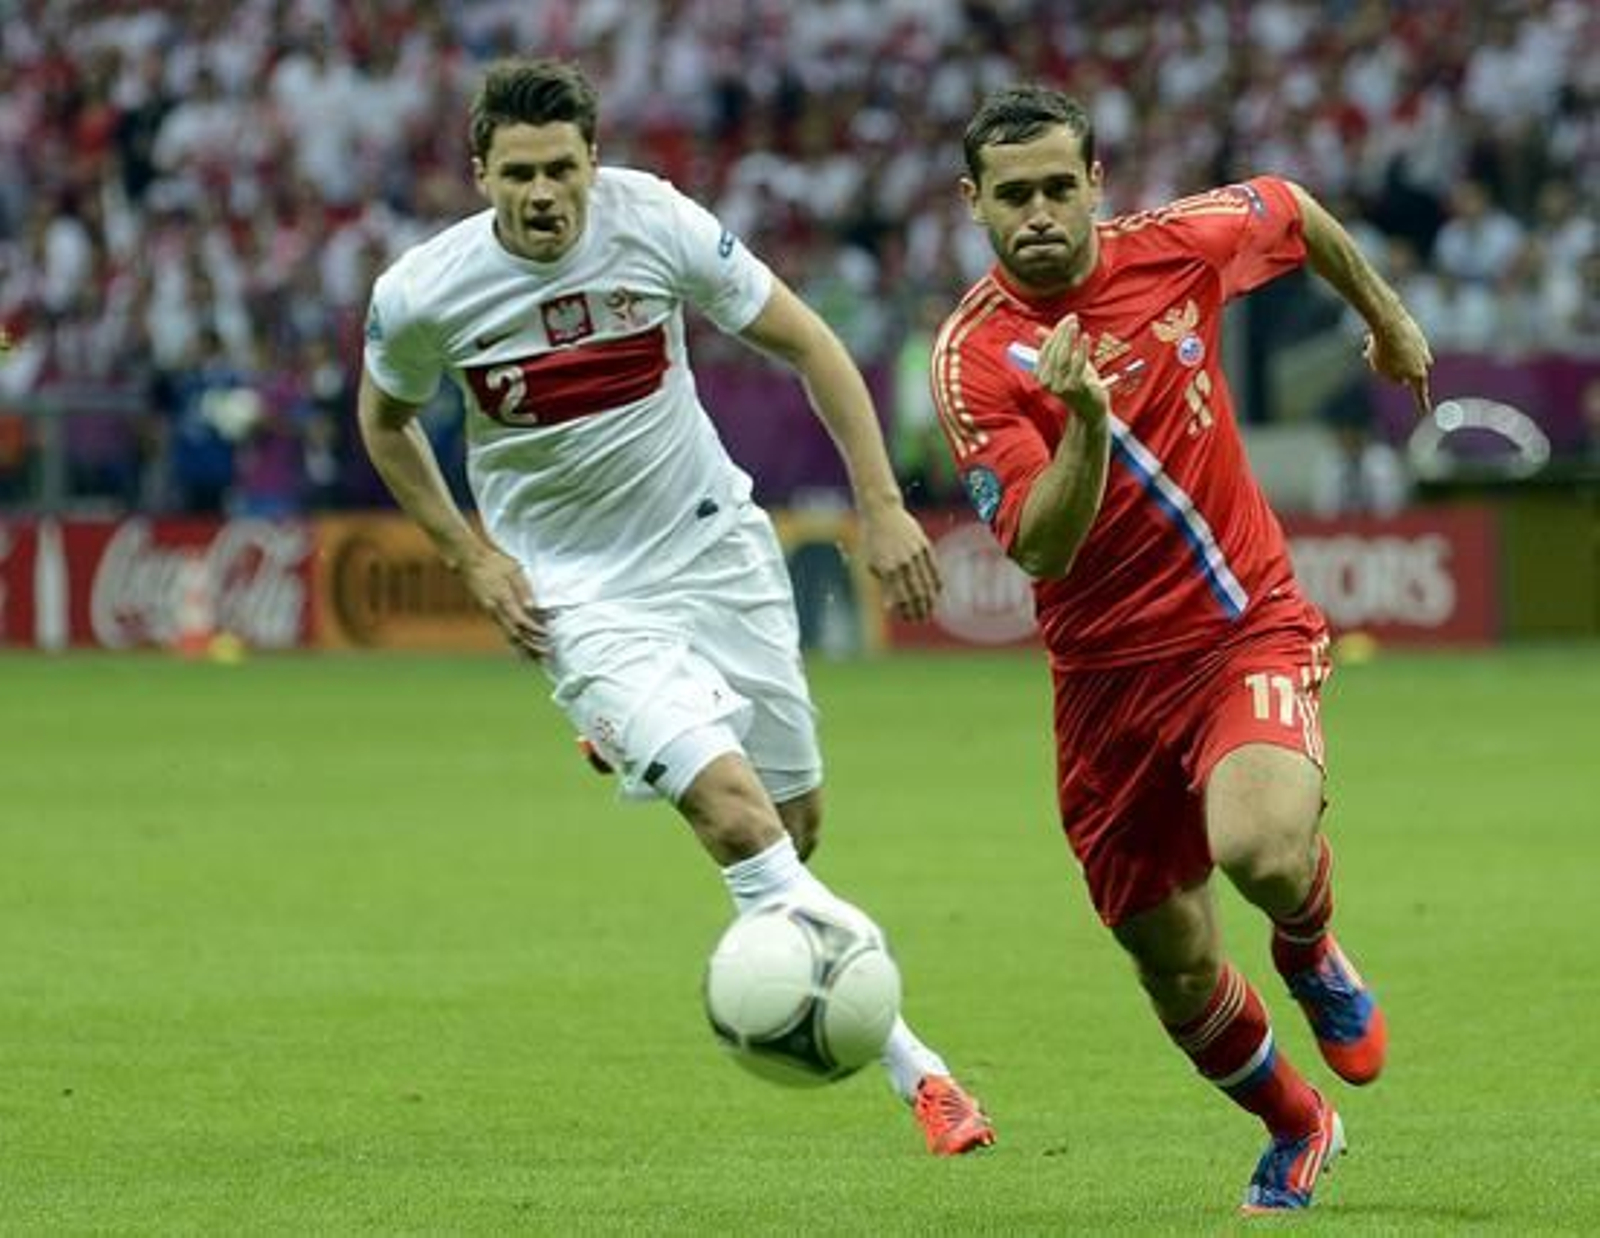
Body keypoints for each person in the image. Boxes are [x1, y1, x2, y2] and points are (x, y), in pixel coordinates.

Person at [357, 57, 994, 1157]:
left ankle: (632, 734)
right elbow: (384, 422)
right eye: (518, 173)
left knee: (795, 830)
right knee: (738, 818)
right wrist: (470, 557)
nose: (543, 193)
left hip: (715, 549)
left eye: (562, 167)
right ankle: (923, 1071)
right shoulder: (424, 292)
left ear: (594, 162)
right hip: (579, 593)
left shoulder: (655, 224)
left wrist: (882, 505)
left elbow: (807, 341)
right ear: (479, 174)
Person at [929, 85, 1433, 1212]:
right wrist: (1090, 422)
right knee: (1172, 961)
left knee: (1258, 847)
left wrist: (1388, 316)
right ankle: (1298, 1124)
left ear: (1097, 183)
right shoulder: (972, 360)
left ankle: (1308, 946)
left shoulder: (1177, 246)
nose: (1042, 211)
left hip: (1237, 624)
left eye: (1061, 186)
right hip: (1103, 685)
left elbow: (1292, 209)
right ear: (974, 205)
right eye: (1014, 195)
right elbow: (1041, 549)